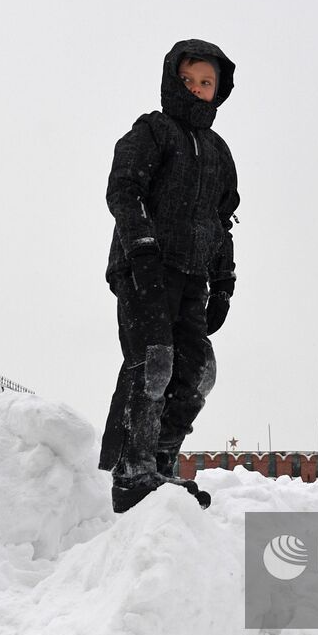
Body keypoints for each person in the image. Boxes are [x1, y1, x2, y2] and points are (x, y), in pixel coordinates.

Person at [98, 39, 240, 514]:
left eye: (207, 83)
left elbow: (223, 221)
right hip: (145, 268)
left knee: (198, 373)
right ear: (172, 82)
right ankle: (130, 471)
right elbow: (123, 189)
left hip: (192, 276)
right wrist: (141, 250)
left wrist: (223, 282)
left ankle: (159, 460)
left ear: (218, 91)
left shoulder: (219, 153)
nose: (198, 90)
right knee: (153, 361)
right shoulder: (152, 131)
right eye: (189, 81)